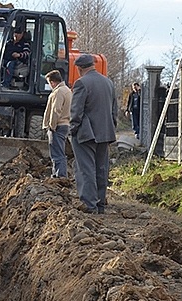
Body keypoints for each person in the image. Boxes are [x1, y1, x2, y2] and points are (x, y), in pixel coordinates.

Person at [69, 54, 118, 214]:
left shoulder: (81, 83)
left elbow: (76, 112)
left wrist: (73, 130)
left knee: (86, 169)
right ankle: (100, 204)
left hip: (86, 134)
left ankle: (89, 205)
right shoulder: (108, 83)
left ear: (79, 68)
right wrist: (111, 127)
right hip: (105, 132)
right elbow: (114, 111)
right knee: (101, 168)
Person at [42, 69, 72, 178]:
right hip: (65, 124)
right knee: (59, 150)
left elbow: (55, 110)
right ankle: (58, 174)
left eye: (49, 82)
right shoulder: (67, 90)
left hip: (58, 125)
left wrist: (52, 126)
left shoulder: (58, 92)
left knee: (56, 152)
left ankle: (59, 175)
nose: (50, 85)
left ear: (53, 82)